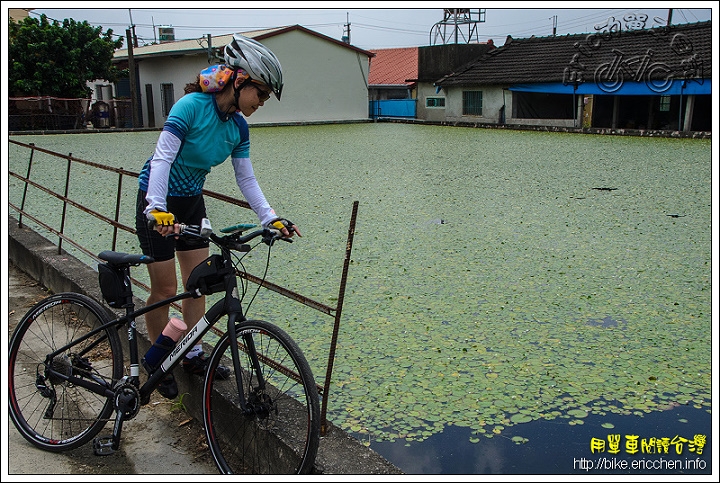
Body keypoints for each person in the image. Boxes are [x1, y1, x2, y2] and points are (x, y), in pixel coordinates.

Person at [135, 34, 300, 399]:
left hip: (191, 202)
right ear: (240, 80)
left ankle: (190, 351)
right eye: (261, 93)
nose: (262, 102)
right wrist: (157, 208)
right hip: (156, 200)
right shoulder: (190, 107)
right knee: (163, 288)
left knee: (196, 284)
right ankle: (157, 360)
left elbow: (246, 178)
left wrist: (269, 217)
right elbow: (162, 159)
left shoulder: (237, 127)